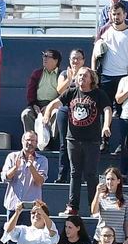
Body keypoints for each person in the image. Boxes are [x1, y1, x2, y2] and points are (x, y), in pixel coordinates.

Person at [43, 67, 110, 214]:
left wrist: (106, 125)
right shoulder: (71, 92)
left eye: (85, 76)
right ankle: (73, 207)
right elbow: (55, 103)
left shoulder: (98, 94)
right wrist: (47, 114)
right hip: (73, 140)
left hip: (92, 141)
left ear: (91, 79)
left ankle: (94, 208)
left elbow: (107, 109)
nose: (81, 78)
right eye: (79, 75)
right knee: (75, 173)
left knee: (91, 174)